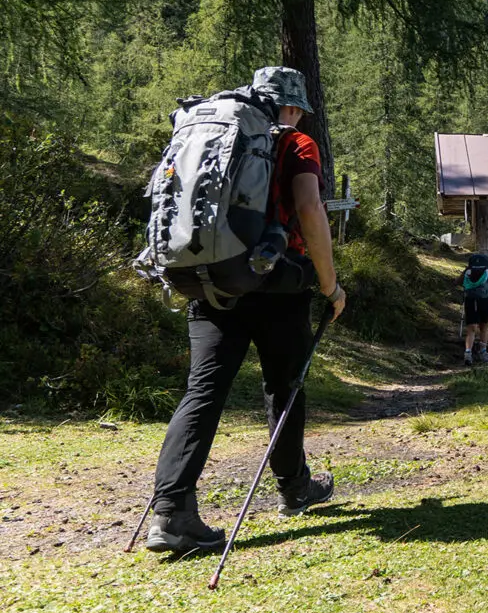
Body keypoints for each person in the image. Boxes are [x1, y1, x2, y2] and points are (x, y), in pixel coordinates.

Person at [144, 66, 348, 554]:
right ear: (293, 106)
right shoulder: (296, 143)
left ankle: (171, 512)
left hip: (213, 281)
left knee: (203, 393)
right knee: (285, 387)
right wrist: (330, 284)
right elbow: (309, 208)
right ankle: (295, 486)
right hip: (279, 287)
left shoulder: (211, 134)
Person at [461, 251, 488, 364]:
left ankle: (467, 354)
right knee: (484, 326)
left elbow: (457, 282)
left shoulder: (468, 270)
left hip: (470, 300)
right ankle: (483, 352)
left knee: (471, 328)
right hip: (484, 300)